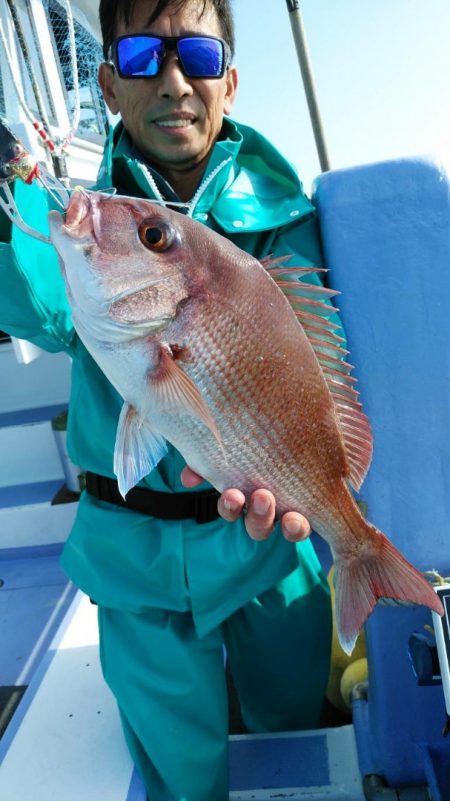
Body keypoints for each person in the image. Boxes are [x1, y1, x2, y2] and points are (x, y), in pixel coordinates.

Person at [0, 0, 333, 798]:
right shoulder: (92, 223)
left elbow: (324, 375)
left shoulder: (290, 222)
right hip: (129, 554)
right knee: (181, 771)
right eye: (144, 56)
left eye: (199, 57)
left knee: (293, 727)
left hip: (267, 546)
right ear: (109, 83)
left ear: (232, 80)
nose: (175, 81)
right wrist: (9, 204)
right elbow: (41, 307)